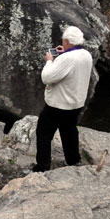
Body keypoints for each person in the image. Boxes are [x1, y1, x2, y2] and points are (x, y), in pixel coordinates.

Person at [32, 26, 93, 172]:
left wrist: (49, 60)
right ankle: (73, 160)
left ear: (66, 41)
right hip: (76, 103)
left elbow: (46, 77)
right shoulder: (86, 54)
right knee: (69, 130)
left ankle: (42, 167)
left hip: (59, 104)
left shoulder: (67, 58)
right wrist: (64, 53)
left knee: (44, 133)